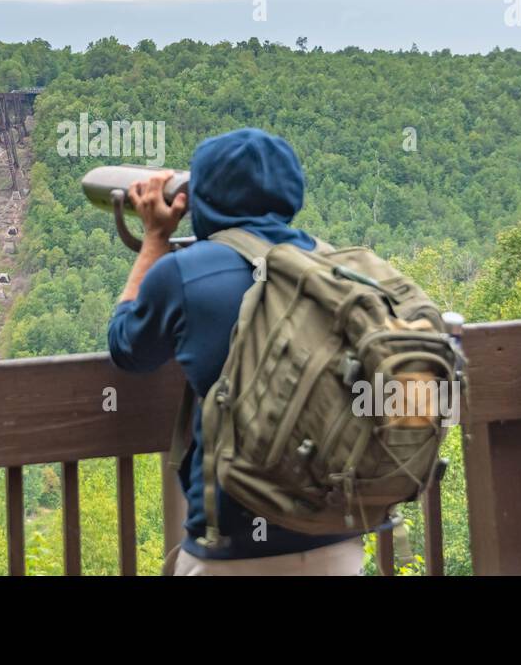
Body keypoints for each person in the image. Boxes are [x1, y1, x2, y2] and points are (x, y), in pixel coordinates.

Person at [107, 128, 365, 576]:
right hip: (338, 542)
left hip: (233, 550)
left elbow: (128, 348)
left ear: (201, 197)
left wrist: (153, 240)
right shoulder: (336, 268)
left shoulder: (184, 273)